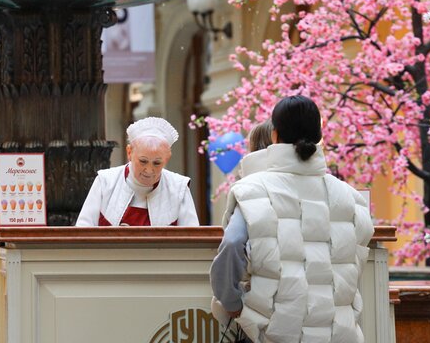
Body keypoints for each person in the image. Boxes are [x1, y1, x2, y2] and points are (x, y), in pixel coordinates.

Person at [210, 96, 374, 343]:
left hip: (271, 330)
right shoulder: (349, 197)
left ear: (274, 136)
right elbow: (357, 256)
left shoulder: (252, 190)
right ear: (319, 136)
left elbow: (232, 245)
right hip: (336, 332)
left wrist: (233, 303)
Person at [76, 117, 199, 227]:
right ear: (129, 153)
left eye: (157, 163)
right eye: (143, 161)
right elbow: (84, 230)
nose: (149, 170)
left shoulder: (179, 188)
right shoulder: (105, 181)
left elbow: (192, 239)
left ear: (167, 158)